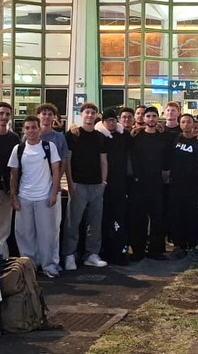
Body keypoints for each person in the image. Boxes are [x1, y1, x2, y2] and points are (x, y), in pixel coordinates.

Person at [9, 115, 62, 278]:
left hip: (44, 196)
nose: (31, 131)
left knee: (47, 233)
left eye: (34, 127)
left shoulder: (49, 147)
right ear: (24, 130)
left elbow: (55, 170)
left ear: (39, 129)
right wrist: (14, 198)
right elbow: (14, 174)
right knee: (25, 234)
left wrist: (53, 193)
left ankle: (48, 265)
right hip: (24, 196)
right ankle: (29, 265)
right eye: (27, 128)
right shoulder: (18, 149)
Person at [63, 102, 109, 270]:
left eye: (93, 112)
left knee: (95, 223)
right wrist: (70, 182)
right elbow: (67, 161)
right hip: (78, 185)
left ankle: (91, 254)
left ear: (96, 115)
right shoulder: (73, 134)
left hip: (97, 185)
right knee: (72, 223)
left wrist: (103, 181)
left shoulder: (100, 137)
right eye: (87, 112)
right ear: (81, 114)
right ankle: (69, 255)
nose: (89, 115)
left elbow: (103, 161)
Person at [129, 106, 170, 261]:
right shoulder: (136, 137)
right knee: (139, 218)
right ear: (144, 119)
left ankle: (156, 250)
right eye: (148, 116)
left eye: (154, 116)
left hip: (157, 183)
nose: (151, 119)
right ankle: (138, 250)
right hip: (139, 184)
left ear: (157, 118)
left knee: (157, 217)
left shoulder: (163, 137)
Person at [37, 103, 70, 270]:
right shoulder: (31, 135)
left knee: (53, 226)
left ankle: (53, 261)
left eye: (50, 114)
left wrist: (56, 183)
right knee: (35, 227)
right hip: (33, 187)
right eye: (44, 113)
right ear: (38, 116)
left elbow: (64, 162)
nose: (47, 116)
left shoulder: (59, 137)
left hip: (53, 186)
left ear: (54, 118)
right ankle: (35, 262)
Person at [167, 114, 198, 259]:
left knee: (192, 215)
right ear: (180, 124)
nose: (186, 124)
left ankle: (192, 245)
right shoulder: (175, 138)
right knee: (177, 214)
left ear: (193, 124)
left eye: (188, 122)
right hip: (176, 183)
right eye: (183, 122)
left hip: (192, 183)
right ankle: (178, 245)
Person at [0, 101, 21, 258]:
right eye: (1, 113)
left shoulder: (14, 139)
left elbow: (17, 167)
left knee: (3, 228)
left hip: (6, 188)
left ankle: (2, 260)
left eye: (7, 114)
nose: (4, 117)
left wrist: (14, 191)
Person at [99, 108, 131, 266]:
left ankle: (120, 252)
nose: (111, 123)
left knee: (120, 219)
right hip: (103, 184)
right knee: (104, 219)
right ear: (103, 121)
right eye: (108, 120)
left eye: (113, 120)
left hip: (120, 183)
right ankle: (105, 251)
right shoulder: (98, 135)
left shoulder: (123, 135)